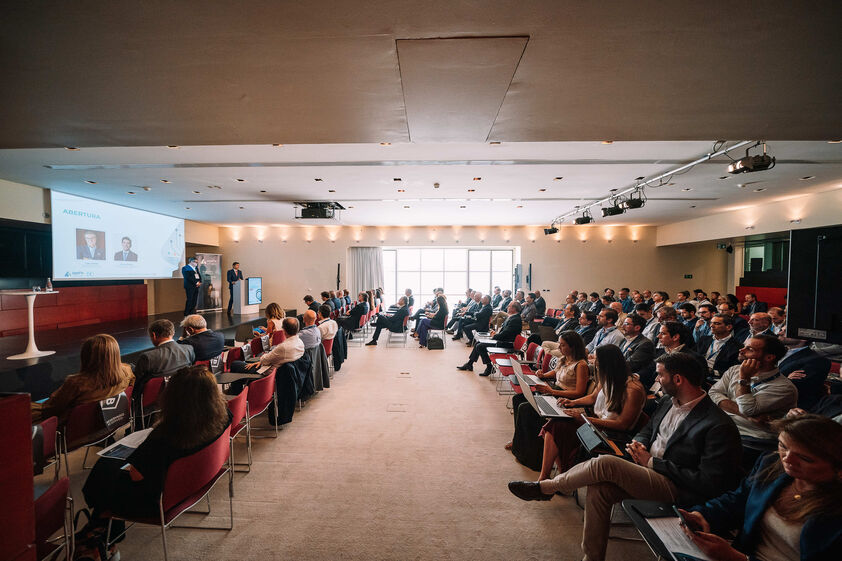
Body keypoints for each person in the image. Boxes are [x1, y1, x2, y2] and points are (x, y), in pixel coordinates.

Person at [508, 352, 743, 561]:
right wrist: (638, 444)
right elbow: (647, 430)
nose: (657, 380)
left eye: (661, 375)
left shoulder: (717, 425)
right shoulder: (667, 402)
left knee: (607, 464)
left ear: (678, 379)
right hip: (647, 470)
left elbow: (709, 482)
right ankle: (592, 557)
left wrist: (652, 462)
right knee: (599, 489)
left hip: (677, 487)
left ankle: (546, 487)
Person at [80, 365, 232, 557]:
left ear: (173, 398)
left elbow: (137, 476)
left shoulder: (164, 436)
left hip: (159, 499)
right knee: (109, 473)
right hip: (195, 479)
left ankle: (102, 537)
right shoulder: (224, 416)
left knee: (105, 472)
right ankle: (100, 534)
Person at [680, 415, 842, 561]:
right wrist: (703, 514)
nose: (787, 459)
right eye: (783, 446)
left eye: (805, 458)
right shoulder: (772, 464)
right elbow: (739, 499)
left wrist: (738, 558)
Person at [537, 344, 645, 480]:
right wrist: (573, 402)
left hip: (609, 434)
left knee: (557, 427)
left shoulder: (632, 389)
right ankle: (554, 475)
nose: (594, 362)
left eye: (597, 360)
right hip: (595, 424)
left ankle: (554, 477)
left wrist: (585, 419)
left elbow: (622, 424)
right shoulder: (608, 377)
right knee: (556, 423)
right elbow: (593, 397)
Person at [709, 334, 798, 467]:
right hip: (723, 426)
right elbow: (713, 393)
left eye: (749, 349)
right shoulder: (734, 370)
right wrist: (748, 417)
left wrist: (744, 379)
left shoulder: (784, 387)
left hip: (752, 437)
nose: (741, 350)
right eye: (744, 346)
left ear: (769, 357)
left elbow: (747, 408)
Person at [507, 331, 590, 471]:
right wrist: (543, 374)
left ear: (573, 346)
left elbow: (579, 392)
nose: (559, 348)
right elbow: (555, 373)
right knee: (518, 399)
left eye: (563, 345)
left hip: (564, 397)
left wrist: (552, 392)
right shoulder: (564, 358)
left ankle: (531, 455)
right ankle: (519, 442)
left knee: (526, 409)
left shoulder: (581, 365)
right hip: (555, 391)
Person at [30, 334, 134, 422]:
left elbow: (51, 409)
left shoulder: (77, 384)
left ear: (86, 357)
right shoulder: (127, 372)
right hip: (102, 427)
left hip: (71, 432)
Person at [133, 319, 195, 413]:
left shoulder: (148, 357)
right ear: (173, 333)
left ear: (153, 335)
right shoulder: (188, 349)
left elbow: (137, 385)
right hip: (183, 398)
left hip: (153, 406)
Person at [457, 301, 522, 376]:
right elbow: (505, 332)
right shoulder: (512, 317)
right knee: (478, 343)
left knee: (480, 346)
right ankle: (470, 364)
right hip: (503, 340)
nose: (507, 307)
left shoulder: (515, 319)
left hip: (507, 344)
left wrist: (494, 336)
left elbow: (506, 334)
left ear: (514, 308)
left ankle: (489, 367)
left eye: (509, 306)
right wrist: (496, 334)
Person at [231, 317, 304, 374]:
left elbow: (264, 360)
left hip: (267, 372)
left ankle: (235, 391)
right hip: (274, 368)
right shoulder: (300, 342)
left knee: (235, 364)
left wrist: (262, 360)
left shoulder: (283, 347)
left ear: (284, 330)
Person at [696, 313, 742, 379]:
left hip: (715, 378)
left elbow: (733, 371)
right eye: (711, 323)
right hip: (697, 371)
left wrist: (713, 372)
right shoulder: (704, 339)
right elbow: (693, 355)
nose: (711, 325)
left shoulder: (737, 347)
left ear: (728, 327)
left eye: (716, 323)